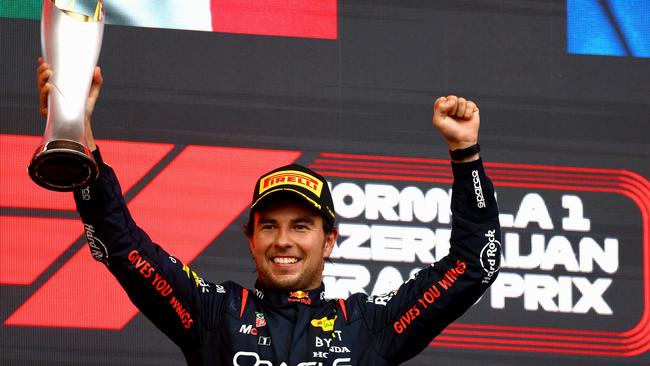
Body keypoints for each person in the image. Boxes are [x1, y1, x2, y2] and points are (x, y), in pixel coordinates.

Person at [37, 59, 501, 365]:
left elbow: (473, 265)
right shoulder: (215, 313)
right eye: (270, 226)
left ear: (330, 240)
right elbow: (122, 246)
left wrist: (465, 153)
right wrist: (76, 132)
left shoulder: (369, 324)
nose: (284, 240)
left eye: (301, 226)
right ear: (251, 238)